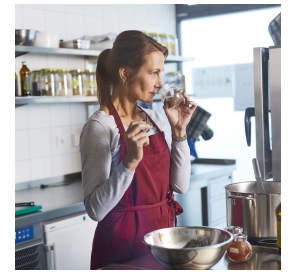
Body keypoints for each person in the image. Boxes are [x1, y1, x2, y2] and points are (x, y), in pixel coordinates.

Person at [79, 30, 198, 270]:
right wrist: (130, 162)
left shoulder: (155, 118)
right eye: (153, 72)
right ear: (125, 73)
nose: (160, 83)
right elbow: (95, 210)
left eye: (161, 73)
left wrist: (179, 133)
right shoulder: (100, 127)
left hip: (162, 242)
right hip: (122, 253)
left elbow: (180, 186)